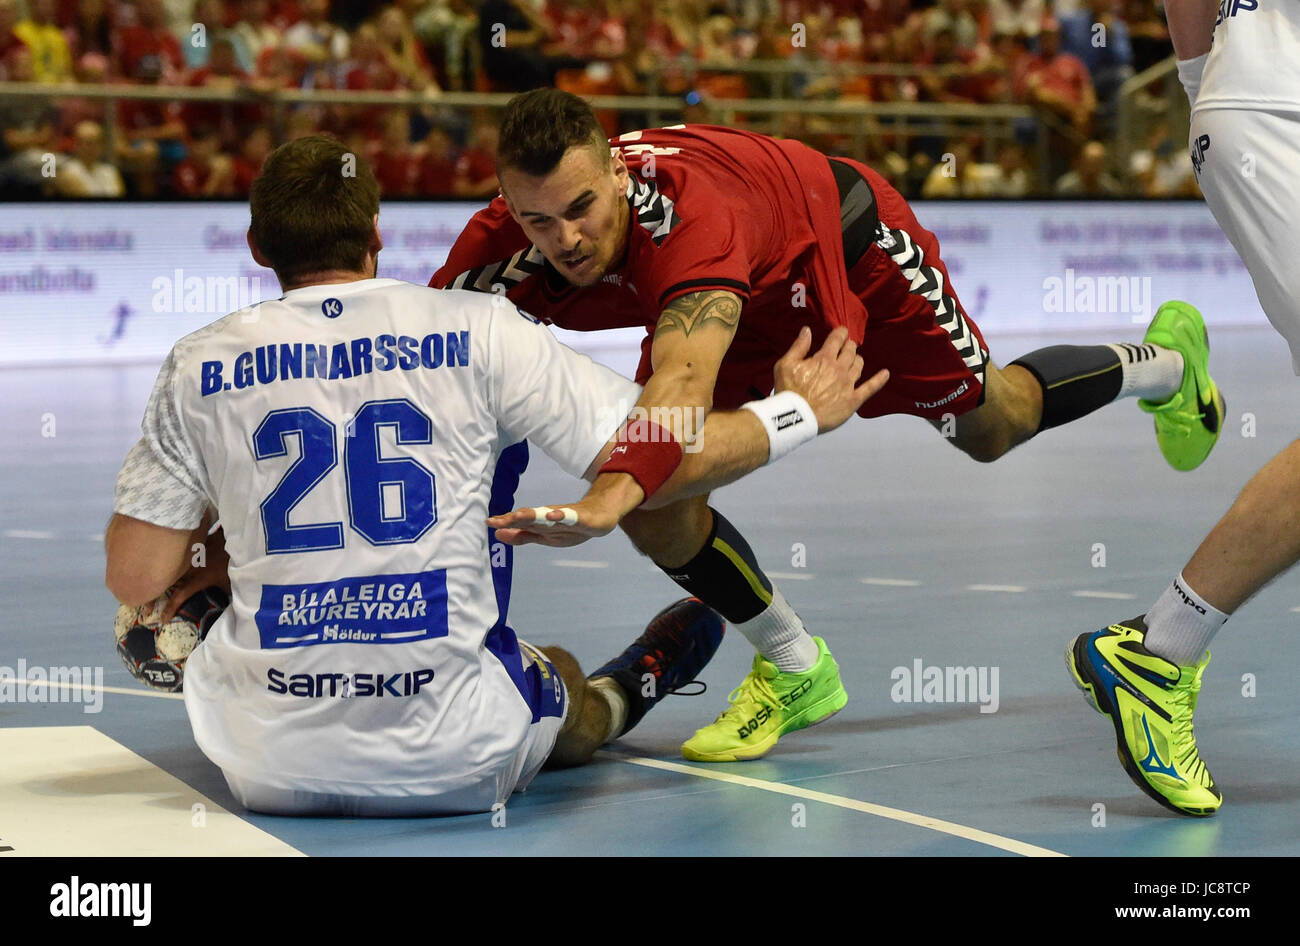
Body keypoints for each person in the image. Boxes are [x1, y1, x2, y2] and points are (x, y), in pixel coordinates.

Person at [430, 88, 1226, 765]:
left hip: (842, 248)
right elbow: (408, 354)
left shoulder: (688, 218)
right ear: (507, 204)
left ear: (615, 172)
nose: (565, 241)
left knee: (990, 426)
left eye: (581, 209)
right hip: (719, 306)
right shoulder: (498, 252)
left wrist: (602, 503)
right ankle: (795, 664)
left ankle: (1166, 363)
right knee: (655, 495)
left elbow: (676, 388)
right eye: (539, 221)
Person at [103, 135, 883, 816]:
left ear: (257, 247)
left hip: (265, 768)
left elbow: (134, 575)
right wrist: (798, 412)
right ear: (378, 231)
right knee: (560, 681)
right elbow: (666, 449)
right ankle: (619, 695)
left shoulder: (197, 364)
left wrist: (222, 546)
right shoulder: (476, 328)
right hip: (459, 757)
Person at [1066, 0, 1300, 817]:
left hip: (1257, 97)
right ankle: (1158, 650)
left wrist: (1207, 85)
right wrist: (1217, 93)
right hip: (1280, 106)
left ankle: (1160, 647)